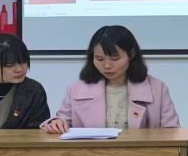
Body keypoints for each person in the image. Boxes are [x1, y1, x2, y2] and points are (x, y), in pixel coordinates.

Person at [43, 25, 179, 133]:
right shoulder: (76, 89)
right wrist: (57, 123)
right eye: (99, 59)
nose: (107, 65)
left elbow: (172, 132)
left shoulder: (157, 88)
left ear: (131, 54)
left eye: (115, 58)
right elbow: (63, 120)